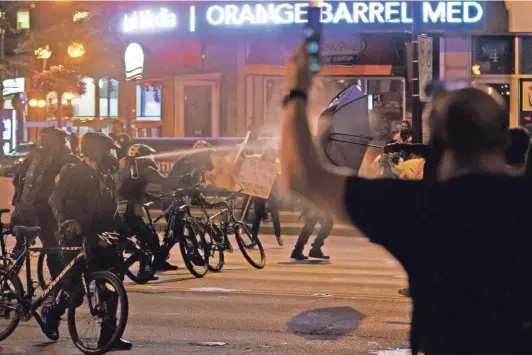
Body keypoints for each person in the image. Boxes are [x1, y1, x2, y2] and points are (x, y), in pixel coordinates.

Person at [281, 43, 532, 354]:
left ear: (439, 145)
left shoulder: (421, 208)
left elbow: (304, 177)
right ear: (503, 140)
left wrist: (296, 92)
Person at [43, 132, 132, 350]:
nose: (112, 154)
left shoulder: (108, 176)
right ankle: (51, 313)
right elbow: (56, 200)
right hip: (76, 236)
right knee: (75, 290)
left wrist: (122, 233)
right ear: (95, 150)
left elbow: (112, 209)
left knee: (111, 284)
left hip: (101, 236)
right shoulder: (74, 172)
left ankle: (109, 336)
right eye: (107, 149)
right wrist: (67, 222)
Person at [11, 127, 81, 279]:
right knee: (52, 247)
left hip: (24, 207)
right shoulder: (66, 158)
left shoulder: (34, 155)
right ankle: (58, 288)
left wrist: (17, 203)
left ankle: (8, 279)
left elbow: (17, 180)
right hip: (43, 210)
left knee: (21, 247)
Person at [116, 143, 172, 273]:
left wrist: (150, 196)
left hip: (120, 208)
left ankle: (145, 266)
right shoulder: (146, 169)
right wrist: (184, 180)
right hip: (133, 208)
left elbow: (132, 189)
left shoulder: (126, 167)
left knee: (140, 237)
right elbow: (165, 181)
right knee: (148, 238)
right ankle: (142, 270)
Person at [158, 140, 214, 268]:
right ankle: (161, 260)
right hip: (171, 199)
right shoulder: (192, 164)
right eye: (207, 154)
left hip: (175, 199)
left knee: (181, 229)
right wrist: (198, 197)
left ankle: (192, 255)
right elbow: (190, 185)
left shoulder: (190, 161)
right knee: (178, 230)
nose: (209, 156)